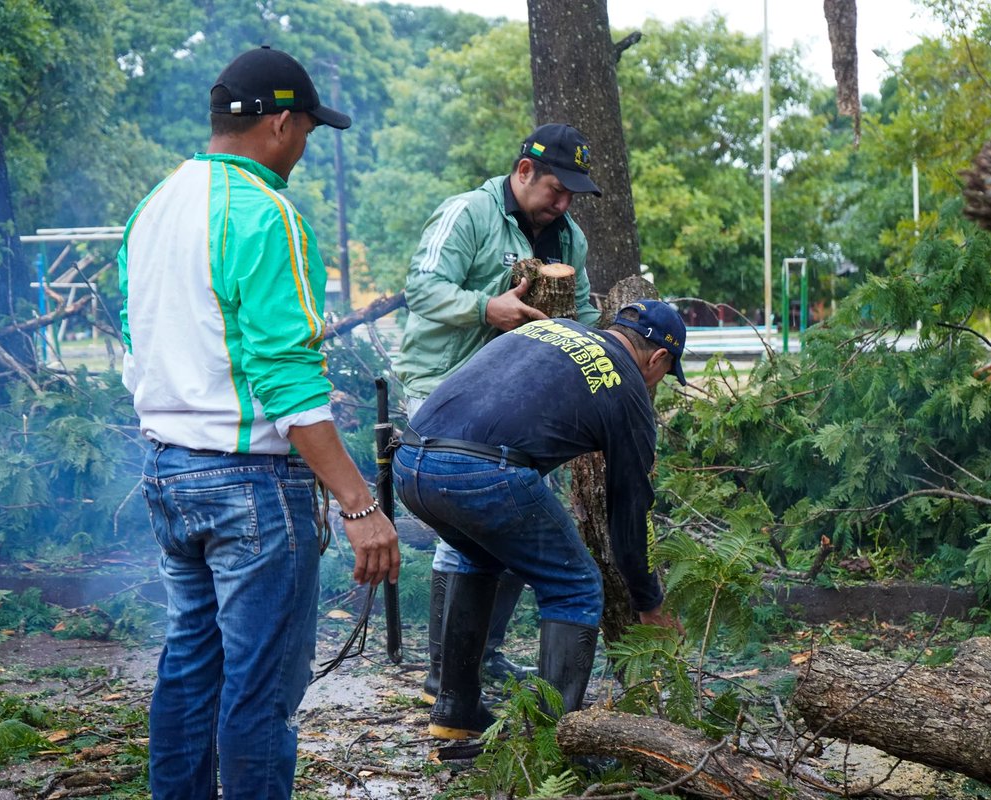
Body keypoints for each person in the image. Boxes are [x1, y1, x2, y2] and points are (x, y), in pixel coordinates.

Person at [119, 46, 400, 799]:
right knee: (259, 691)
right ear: (278, 123)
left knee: (188, 666)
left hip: (169, 471)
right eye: (306, 129)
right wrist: (359, 503)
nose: (305, 148)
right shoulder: (265, 212)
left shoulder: (155, 205)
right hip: (248, 486)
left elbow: (131, 345)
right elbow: (286, 380)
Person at [393, 299, 687, 739]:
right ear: (660, 357)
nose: (658, 382)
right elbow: (628, 515)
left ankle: (455, 712)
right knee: (575, 585)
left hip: (409, 461)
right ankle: (551, 741)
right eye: (666, 373)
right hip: (479, 473)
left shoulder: (554, 329)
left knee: (480, 559)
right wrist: (649, 603)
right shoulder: (628, 389)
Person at [394, 123, 603, 698]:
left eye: (572, 195)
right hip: (442, 390)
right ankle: (446, 673)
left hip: (516, 405)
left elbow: (581, 311)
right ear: (524, 171)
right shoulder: (467, 214)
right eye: (557, 190)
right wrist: (489, 308)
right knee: (466, 530)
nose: (563, 204)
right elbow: (423, 288)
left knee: (511, 527)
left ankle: (479, 659)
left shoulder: (569, 240)